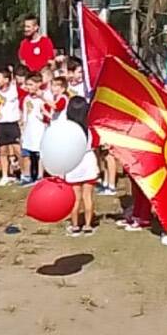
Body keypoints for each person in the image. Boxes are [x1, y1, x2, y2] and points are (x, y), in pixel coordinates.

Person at [64, 96, 99, 237]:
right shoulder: (91, 128)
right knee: (88, 197)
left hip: (74, 163)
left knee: (75, 198)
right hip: (88, 162)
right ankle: (88, 225)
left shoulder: (66, 129)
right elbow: (96, 144)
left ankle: (75, 226)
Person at [0, 67, 21, 185]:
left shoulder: (14, 90)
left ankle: (23, 174)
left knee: (17, 150)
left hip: (12, 123)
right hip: (0, 123)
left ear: (6, 80)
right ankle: (5, 175)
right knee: (3, 150)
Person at [20, 74, 46, 184]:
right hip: (29, 131)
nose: (28, 87)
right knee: (26, 154)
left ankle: (40, 176)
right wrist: (22, 131)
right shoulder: (27, 99)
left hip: (40, 130)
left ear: (39, 84)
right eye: (27, 84)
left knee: (40, 154)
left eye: (31, 84)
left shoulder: (44, 98)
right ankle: (27, 176)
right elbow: (25, 116)